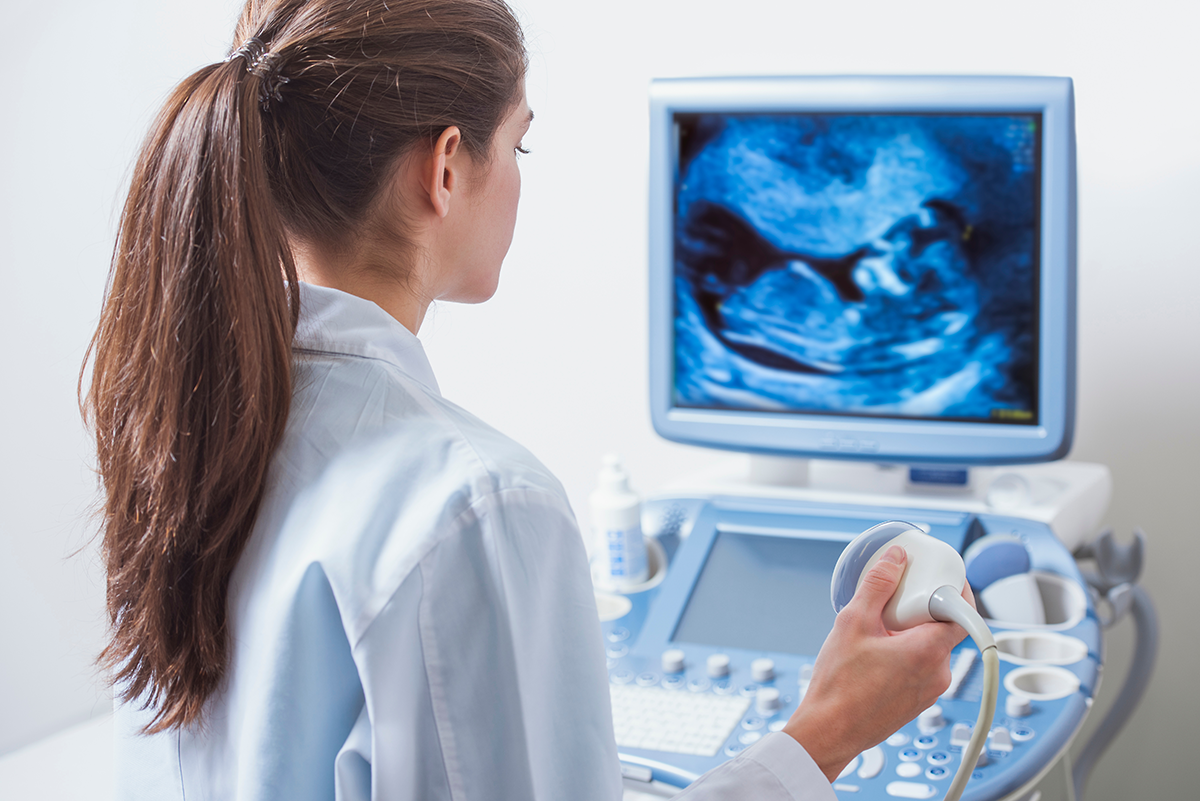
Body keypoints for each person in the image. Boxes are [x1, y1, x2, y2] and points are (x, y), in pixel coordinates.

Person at [83, 1, 970, 799]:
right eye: (518, 144)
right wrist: (829, 731)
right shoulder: (475, 507)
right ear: (444, 169)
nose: (518, 176)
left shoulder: (180, 432)